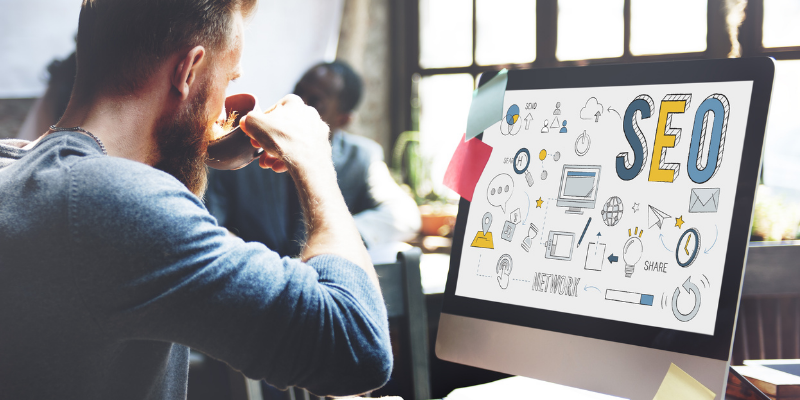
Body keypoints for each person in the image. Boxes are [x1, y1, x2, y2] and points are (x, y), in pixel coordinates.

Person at [0, 1, 392, 399]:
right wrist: (314, 160)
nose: (227, 100)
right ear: (188, 71)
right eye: (228, 78)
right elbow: (357, 346)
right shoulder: (116, 202)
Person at [205, 62, 421, 257]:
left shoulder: (362, 157)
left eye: (316, 101)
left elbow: (404, 215)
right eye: (298, 92)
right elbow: (209, 225)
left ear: (343, 119)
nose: (299, 104)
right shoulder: (246, 149)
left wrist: (333, 240)